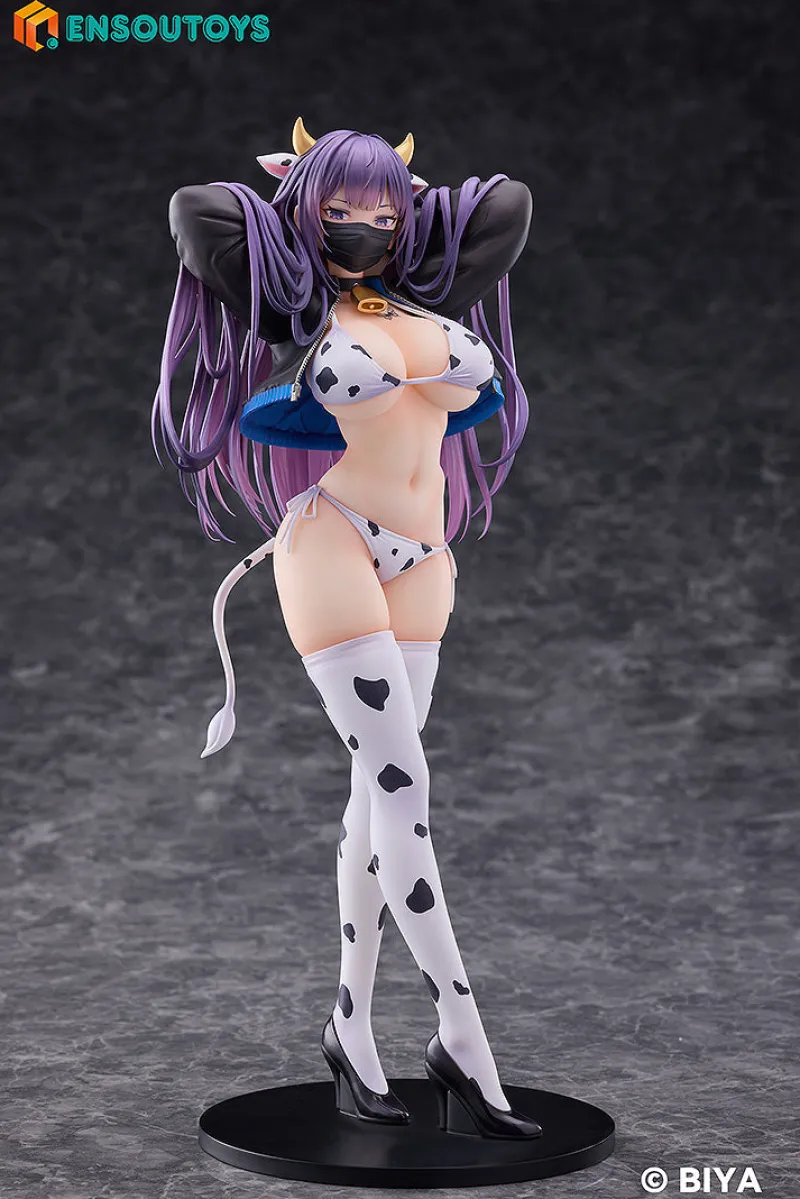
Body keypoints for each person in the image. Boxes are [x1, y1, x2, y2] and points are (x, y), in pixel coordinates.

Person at [154, 118, 539, 1138]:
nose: (366, 226)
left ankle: (350, 1028)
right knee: (404, 789)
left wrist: (402, 202)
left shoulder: (423, 296)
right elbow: (197, 210)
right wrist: (290, 207)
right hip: (332, 544)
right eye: (342, 209)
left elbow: (505, 204)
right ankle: (462, 1034)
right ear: (305, 212)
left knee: (378, 795)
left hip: (425, 556)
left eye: (385, 211)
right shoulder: (295, 306)